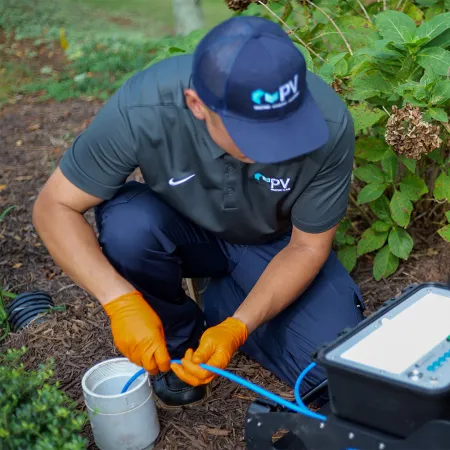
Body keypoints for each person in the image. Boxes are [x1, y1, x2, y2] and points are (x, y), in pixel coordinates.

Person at [33, 16, 365, 409]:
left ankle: (228, 306)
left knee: (338, 371)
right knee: (127, 223)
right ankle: (179, 334)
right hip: (184, 229)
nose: (276, 148)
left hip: (275, 246)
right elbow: (54, 206)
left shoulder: (327, 123)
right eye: (255, 134)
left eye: (287, 128)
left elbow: (308, 248)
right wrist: (119, 300)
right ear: (197, 104)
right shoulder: (145, 107)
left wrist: (238, 328)